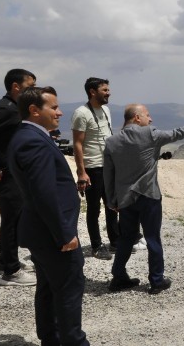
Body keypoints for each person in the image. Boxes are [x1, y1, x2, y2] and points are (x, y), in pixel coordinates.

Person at [104, 104, 184, 294]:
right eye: (147, 116)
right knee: (152, 238)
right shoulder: (150, 134)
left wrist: (111, 200)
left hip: (125, 200)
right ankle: (156, 280)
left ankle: (118, 277)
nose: (150, 120)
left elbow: (108, 174)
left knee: (126, 239)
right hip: (149, 196)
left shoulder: (111, 142)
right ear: (136, 118)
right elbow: (178, 133)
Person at [8, 86, 89, 346]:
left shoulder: (26, 135)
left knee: (47, 288)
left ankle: (51, 339)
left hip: (41, 232)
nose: (60, 112)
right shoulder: (32, 140)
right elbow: (44, 193)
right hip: (52, 234)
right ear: (34, 111)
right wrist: (64, 233)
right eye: (53, 107)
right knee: (68, 289)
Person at [72, 77, 146, 259]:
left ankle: (115, 241)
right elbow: (77, 144)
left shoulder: (105, 110)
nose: (108, 93)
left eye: (108, 89)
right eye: (104, 90)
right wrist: (81, 172)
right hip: (92, 167)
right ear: (92, 92)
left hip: (109, 165)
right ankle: (97, 246)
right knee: (93, 209)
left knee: (112, 204)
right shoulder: (81, 113)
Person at [0, 68, 37, 286]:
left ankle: (5, 261)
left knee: (13, 219)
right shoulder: (5, 109)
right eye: (30, 86)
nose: (34, 91)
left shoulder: (13, 108)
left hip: (12, 173)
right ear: (16, 87)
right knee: (11, 221)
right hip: (5, 175)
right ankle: (11, 272)